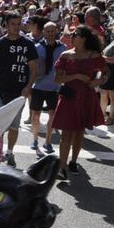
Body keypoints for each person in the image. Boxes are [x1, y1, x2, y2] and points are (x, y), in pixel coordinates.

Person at [51, 25, 108, 180]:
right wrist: (76, 75)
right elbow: (57, 79)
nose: (71, 37)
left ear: (83, 38)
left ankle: (73, 162)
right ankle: (61, 167)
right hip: (69, 97)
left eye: (74, 34)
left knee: (79, 132)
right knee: (66, 134)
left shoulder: (95, 55)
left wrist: (98, 81)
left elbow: (107, 73)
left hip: (86, 97)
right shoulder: (65, 55)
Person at [0, 10, 39, 166]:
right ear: (6, 25)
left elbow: (34, 69)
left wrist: (29, 87)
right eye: (13, 24)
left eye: (18, 23)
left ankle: (10, 153)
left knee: (14, 126)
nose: (16, 27)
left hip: (19, 92)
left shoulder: (28, 44)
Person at [30, 21, 66, 155]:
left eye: (52, 31)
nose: (50, 33)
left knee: (52, 116)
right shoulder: (37, 47)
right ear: (43, 32)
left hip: (54, 88)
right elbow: (31, 67)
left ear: (56, 31)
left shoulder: (63, 48)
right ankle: (34, 139)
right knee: (35, 116)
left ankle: (48, 141)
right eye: (47, 31)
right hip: (38, 86)